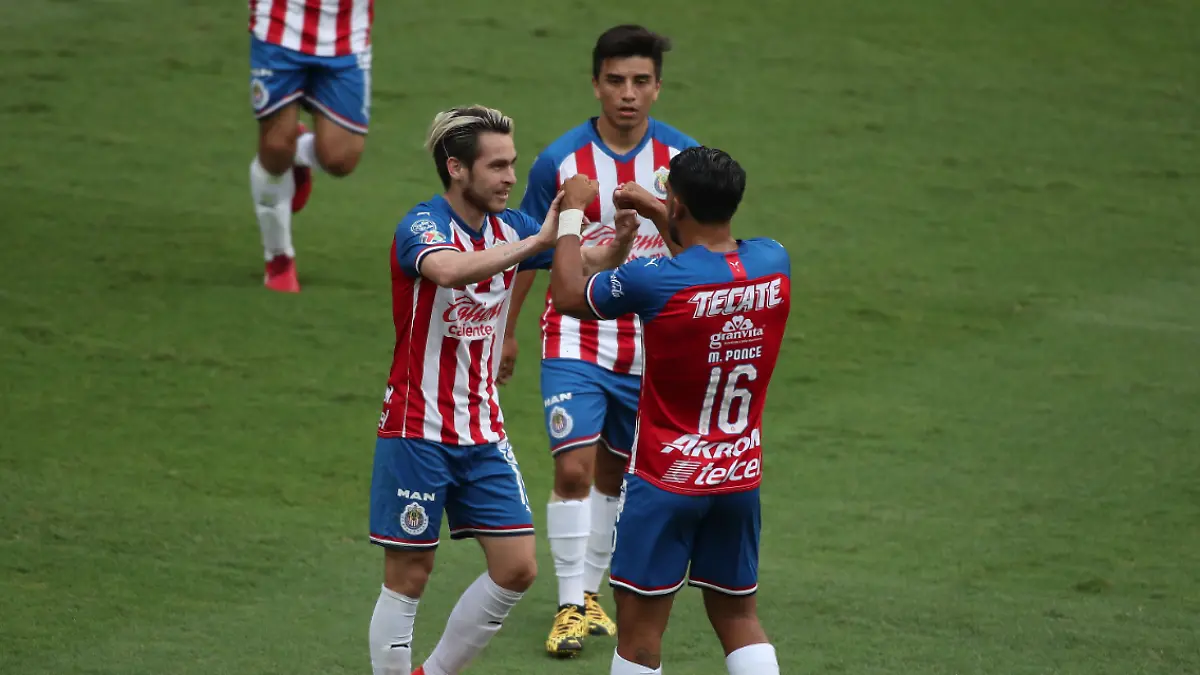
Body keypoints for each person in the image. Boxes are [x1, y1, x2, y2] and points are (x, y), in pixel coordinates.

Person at [367, 105, 637, 675]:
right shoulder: (422, 226)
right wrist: (540, 237)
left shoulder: (510, 227)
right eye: (496, 166)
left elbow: (587, 263)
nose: (511, 177)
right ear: (456, 168)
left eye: (512, 164)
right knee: (410, 575)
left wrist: (620, 242)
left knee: (517, 567)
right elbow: (448, 271)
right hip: (417, 428)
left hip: (483, 430)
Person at [547, 146, 789, 675]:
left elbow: (566, 294)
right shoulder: (774, 261)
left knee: (639, 638)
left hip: (665, 482)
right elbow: (707, 255)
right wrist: (660, 209)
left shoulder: (653, 279)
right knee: (738, 617)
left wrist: (572, 213)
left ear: (678, 202)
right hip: (737, 479)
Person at [499, 23, 700, 657]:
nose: (628, 94)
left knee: (615, 473)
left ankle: (588, 593)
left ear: (658, 87)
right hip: (575, 333)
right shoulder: (559, 161)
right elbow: (532, 251)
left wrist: (658, 213)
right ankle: (567, 606)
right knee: (573, 467)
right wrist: (506, 331)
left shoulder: (682, 160)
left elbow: (702, 249)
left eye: (640, 81)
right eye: (615, 81)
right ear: (595, 84)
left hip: (651, 342)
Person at [247, 0, 376, 292]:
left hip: (347, 32)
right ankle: (278, 258)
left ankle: (298, 153)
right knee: (276, 149)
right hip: (279, 24)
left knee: (341, 159)